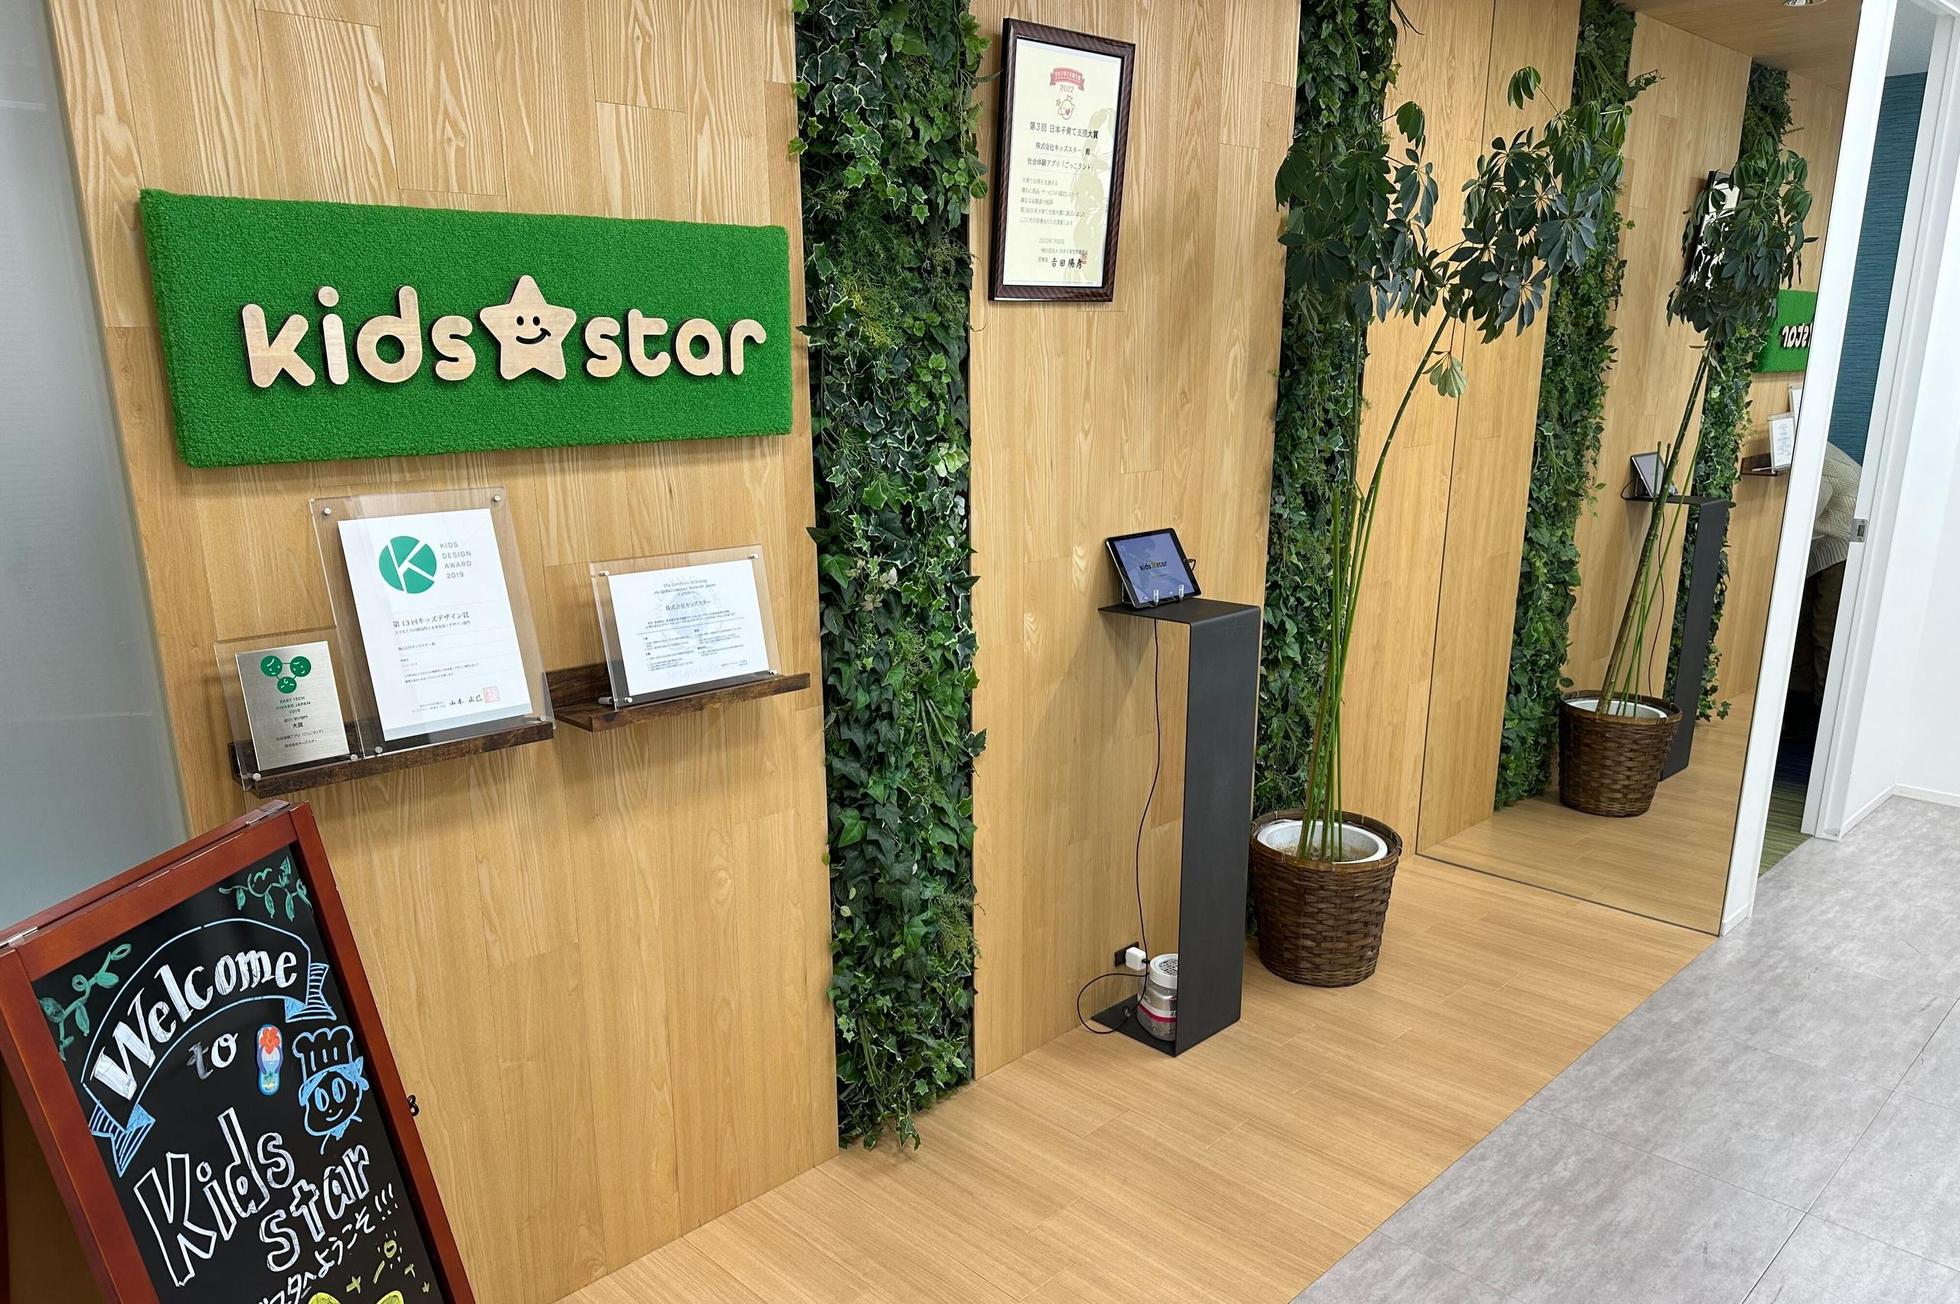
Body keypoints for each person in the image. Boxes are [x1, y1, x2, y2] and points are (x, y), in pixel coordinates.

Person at [1790, 441, 1861, 712]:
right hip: (1823, 543)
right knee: (1802, 620)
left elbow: (1804, 518)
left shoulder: (1815, 456)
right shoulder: (1809, 444)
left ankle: (1823, 710)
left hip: (1846, 543)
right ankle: (1798, 697)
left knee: (1825, 626)